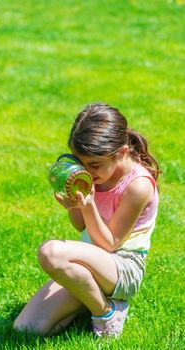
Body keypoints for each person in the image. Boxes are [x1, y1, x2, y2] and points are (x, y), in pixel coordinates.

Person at [14, 102, 161, 338]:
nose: (88, 171)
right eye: (81, 163)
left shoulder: (138, 185)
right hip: (90, 261)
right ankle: (87, 295)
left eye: (94, 165)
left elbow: (110, 244)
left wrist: (89, 205)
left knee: (51, 253)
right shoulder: (96, 172)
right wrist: (75, 205)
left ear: (121, 153)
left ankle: (106, 311)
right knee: (27, 329)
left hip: (123, 268)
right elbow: (81, 226)